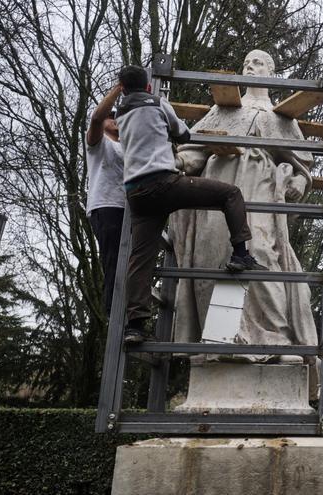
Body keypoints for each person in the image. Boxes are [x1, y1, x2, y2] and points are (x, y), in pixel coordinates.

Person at [169, 49, 315, 361]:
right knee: (219, 255)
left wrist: (299, 180)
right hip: (218, 185)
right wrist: (179, 159)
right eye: (246, 62)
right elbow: (198, 149)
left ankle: (274, 338)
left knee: (259, 250)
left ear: (270, 72)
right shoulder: (223, 109)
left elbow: (301, 163)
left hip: (258, 187)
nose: (250, 66)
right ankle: (223, 337)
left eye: (258, 63)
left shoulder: (279, 116)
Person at [115, 64, 266, 343]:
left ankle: (134, 326)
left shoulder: (121, 112)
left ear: (122, 89)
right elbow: (183, 134)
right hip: (165, 183)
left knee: (140, 260)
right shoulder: (159, 103)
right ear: (148, 86)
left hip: (136, 193)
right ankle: (241, 254)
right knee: (230, 194)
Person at [85, 84, 125, 315]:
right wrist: (118, 89)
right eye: (111, 117)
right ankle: (113, 312)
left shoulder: (126, 146)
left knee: (127, 262)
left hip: (126, 208)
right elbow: (96, 117)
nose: (115, 120)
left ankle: (125, 311)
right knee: (112, 259)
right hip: (106, 205)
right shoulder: (98, 142)